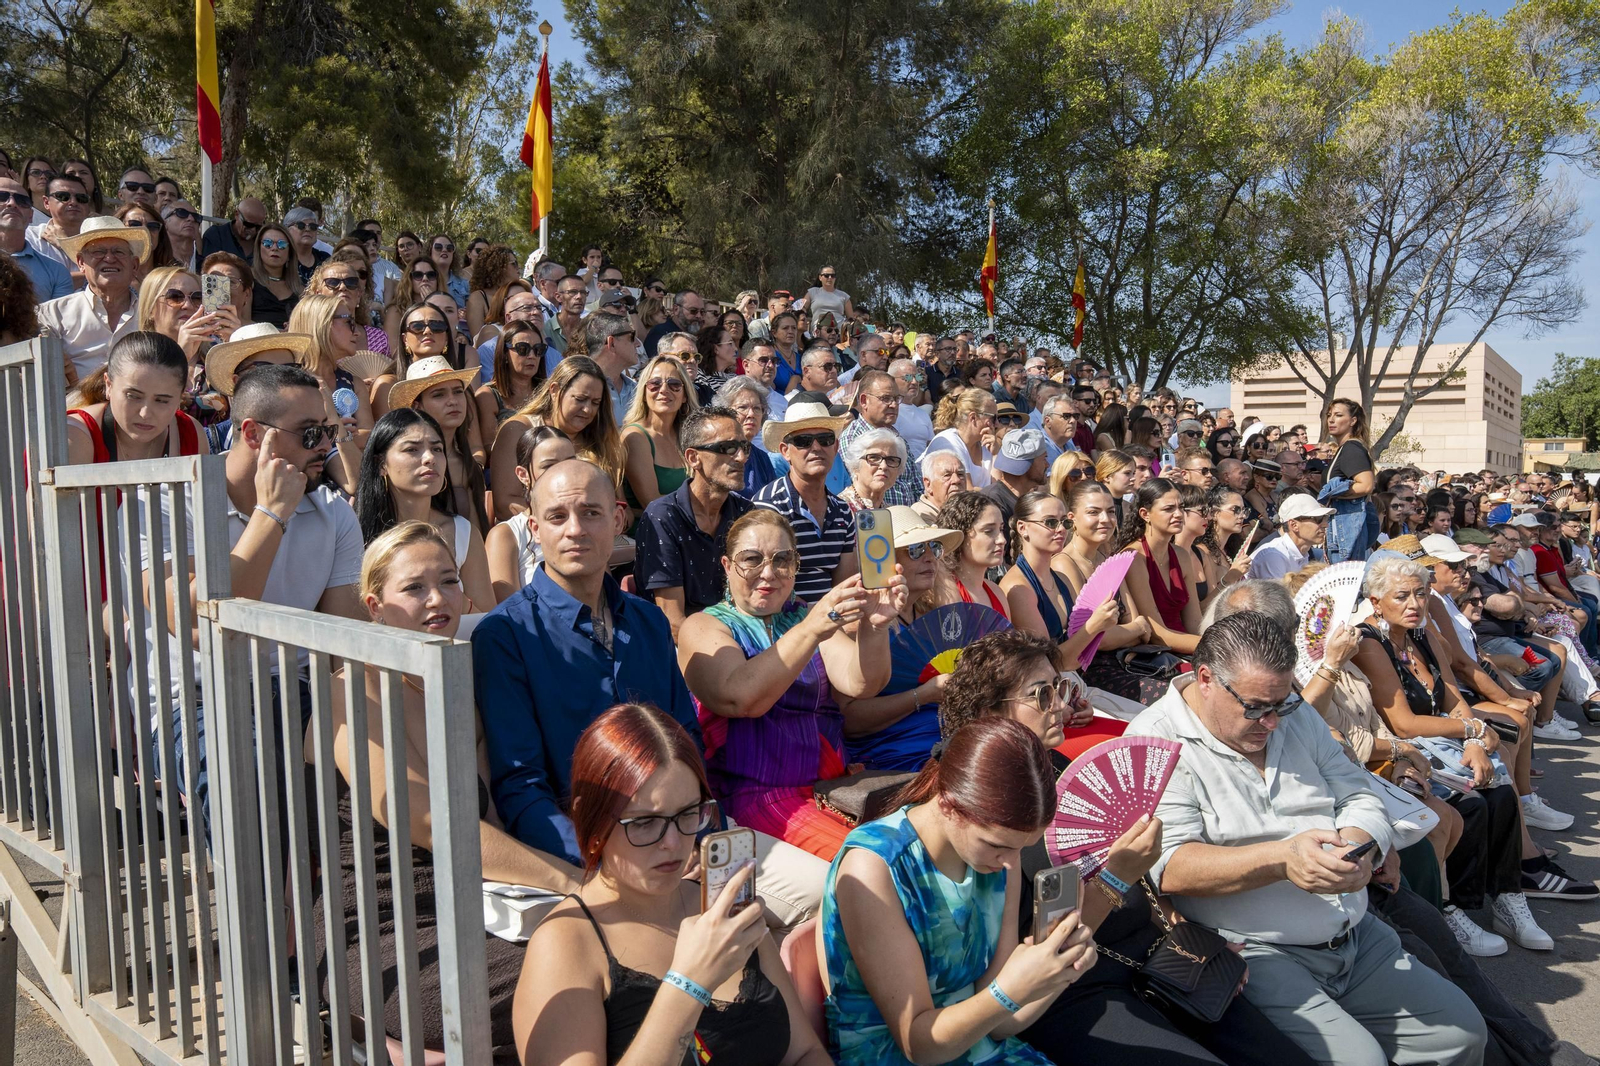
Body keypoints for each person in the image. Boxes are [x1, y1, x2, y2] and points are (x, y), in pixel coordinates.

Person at [937, 630, 1321, 1066]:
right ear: (990, 712)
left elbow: (1135, 876)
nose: (1061, 705)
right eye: (1042, 695)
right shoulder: (988, 807)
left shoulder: (1058, 765)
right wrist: (1116, 875)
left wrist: (1184, 935)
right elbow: (1045, 948)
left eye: (1061, 688)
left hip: (1152, 955)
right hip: (1076, 987)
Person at [1126, 611, 1489, 1066]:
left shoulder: (1289, 713)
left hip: (1355, 935)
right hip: (1254, 950)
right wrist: (1283, 859)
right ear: (1205, 679)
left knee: (1462, 1034)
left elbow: (1356, 788)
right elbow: (1172, 866)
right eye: (1256, 707)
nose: (1273, 721)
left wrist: (1362, 844)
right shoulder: (1154, 741)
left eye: (1282, 704)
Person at [314, 521, 578, 1064]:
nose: (438, 599)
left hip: (490, 903)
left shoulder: (471, 674)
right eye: (413, 588)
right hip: (390, 924)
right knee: (584, 981)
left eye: (449, 580)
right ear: (375, 605)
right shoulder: (351, 687)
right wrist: (576, 883)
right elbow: (433, 821)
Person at [512, 704, 833, 1066]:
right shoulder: (566, 943)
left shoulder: (722, 909)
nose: (673, 842)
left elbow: (804, 1052)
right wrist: (690, 981)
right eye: (646, 822)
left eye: (687, 814)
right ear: (591, 818)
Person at [821, 715, 1098, 1065]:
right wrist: (1009, 990)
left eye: (1022, 847)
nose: (1012, 862)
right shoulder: (874, 867)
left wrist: (1056, 974)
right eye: (997, 844)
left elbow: (1000, 1024)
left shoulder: (998, 862)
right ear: (948, 805)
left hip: (981, 1050)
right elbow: (918, 1045)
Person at [1350, 554, 1566, 950]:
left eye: (1420, 593)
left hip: (1446, 742)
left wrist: (1473, 740)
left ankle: (1508, 898)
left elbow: (1452, 696)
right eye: (1402, 596)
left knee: (1500, 793)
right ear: (1376, 601)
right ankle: (1457, 909)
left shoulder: (1422, 633)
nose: (1415, 604)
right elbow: (1404, 723)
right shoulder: (1368, 641)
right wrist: (1473, 729)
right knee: (1472, 803)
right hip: (1405, 751)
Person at [680, 509, 906, 859]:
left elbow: (862, 683)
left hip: (832, 788)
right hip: (754, 794)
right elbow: (740, 698)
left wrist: (874, 627)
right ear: (726, 566)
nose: (768, 573)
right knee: (874, 865)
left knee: (917, 847)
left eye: (782, 560)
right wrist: (813, 628)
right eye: (751, 559)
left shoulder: (802, 615)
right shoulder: (705, 626)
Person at [354, 408, 493, 609]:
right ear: (381, 464)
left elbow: (486, 622)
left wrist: (453, 597)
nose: (430, 458)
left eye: (437, 449)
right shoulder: (355, 532)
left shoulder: (462, 533)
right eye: (412, 449)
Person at [635, 406, 755, 637]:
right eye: (728, 447)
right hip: (688, 650)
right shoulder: (663, 517)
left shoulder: (745, 512)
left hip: (743, 635)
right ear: (693, 458)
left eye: (744, 447)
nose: (741, 457)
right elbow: (672, 622)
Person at [489, 356, 626, 522]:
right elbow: (505, 505)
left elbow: (621, 506)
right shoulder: (518, 430)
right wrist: (562, 524)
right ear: (554, 390)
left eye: (595, 402)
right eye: (580, 399)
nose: (588, 409)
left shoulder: (601, 437)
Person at [750, 401, 859, 603]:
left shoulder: (843, 510)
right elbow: (767, 582)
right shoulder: (770, 506)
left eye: (825, 439)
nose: (816, 447)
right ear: (785, 451)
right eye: (803, 441)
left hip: (833, 618)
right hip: (784, 620)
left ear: (835, 447)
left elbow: (843, 584)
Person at [1000, 490, 1122, 667]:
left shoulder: (1061, 578)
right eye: (1050, 522)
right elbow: (1049, 662)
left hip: (1078, 675)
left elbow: (1078, 641)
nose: (1061, 529)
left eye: (1065, 522)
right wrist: (1095, 625)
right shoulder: (1018, 587)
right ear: (1022, 527)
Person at [65, 330, 204, 468]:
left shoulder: (190, 433)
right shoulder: (75, 437)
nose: (145, 413)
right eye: (133, 396)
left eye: (162, 400)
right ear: (108, 385)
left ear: (180, 397)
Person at [35, 214, 147, 384]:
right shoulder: (51, 314)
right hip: (71, 408)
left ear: (134, 265)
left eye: (118, 251)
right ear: (81, 262)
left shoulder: (152, 314)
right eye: (98, 251)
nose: (109, 258)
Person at [387, 354, 492, 534]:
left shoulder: (468, 464)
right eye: (439, 394)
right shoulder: (401, 464)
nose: (453, 401)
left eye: (458, 391)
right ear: (417, 406)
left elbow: (477, 534)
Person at [485, 426, 574, 602]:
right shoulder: (506, 536)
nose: (563, 472)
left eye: (570, 463)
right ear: (523, 474)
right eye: (549, 466)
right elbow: (511, 612)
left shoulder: (586, 524)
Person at [1118, 478, 1202, 654]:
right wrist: (1217, 648)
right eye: (1168, 509)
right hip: (1157, 654)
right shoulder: (1135, 558)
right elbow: (1157, 633)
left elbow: (1194, 623)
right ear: (1145, 514)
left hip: (1188, 646)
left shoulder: (1181, 555)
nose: (1179, 514)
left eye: (1181, 507)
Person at [620, 354, 695, 515]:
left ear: (685, 396)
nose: (663, 390)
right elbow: (653, 503)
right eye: (655, 384)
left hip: (691, 526)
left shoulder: (690, 436)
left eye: (674, 384)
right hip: (651, 532)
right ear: (644, 393)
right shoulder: (635, 437)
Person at [838, 370, 923, 505]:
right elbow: (854, 490)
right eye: (886, 398)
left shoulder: (897, 439)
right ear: (864, 401)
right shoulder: (853, 438)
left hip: (908, 518)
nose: (894, 405)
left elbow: (917, 486)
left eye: (896, 399)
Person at [936, 490, 1011, 618]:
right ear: (960, 535)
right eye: (988, 531)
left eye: (1001, 529)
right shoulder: (946, 593)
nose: (1002, 540)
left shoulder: (996, 592)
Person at [1, 174, 73, 301]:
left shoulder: (57, 272)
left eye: (22, 201)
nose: (12, 203)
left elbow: (58, 320)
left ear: (31, 215)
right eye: (2, 197)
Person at [1325, 397, 1377, 562]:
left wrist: (1333, 494)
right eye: (1329, 415)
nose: (1331, 420)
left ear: (1353, 420)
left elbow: (1366, 485)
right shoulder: (1347, 448)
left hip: (1345, 529)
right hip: (1343, 528)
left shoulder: (1351, 448)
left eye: (1339, 415)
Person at [476, 318, 546, 430]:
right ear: (505, 353)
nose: (532, 355)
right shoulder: (487, 396)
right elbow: (489, 445)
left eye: (538, 349)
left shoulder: (548, 391)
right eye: (523, 348)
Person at [714, 375, 779, 494]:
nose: (751, 414)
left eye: (757, 408)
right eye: (742, 407)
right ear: (724, 411)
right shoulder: (715, 453)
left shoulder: (762, 458)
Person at [1248, 493, 1334, 579]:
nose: (1325, 525)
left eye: (1325, 518)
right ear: (1294, 525)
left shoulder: (1302, 553)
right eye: (1318, 519)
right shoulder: (1274, 555)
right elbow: (1279, 592)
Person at [925, 389, 997, 489]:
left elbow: (998, 489)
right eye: (993, 418)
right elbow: (967, 492)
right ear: (973, 418)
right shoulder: (948, 442)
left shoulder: (987, 442)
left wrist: (995, 454)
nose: (997, 424)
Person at [839, 426, 909, 514]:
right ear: (855, 466)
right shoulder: (839, 509)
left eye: (891, 460)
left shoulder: (892, 514)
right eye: (874, 458)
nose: (884, 466)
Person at [383, 255, 441, 356]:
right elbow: (393, 350)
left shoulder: (445, 305)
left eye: (431, 275)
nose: (425, 279)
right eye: (418, 275)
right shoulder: (396, 310)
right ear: (410, 279)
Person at [250, 223, 300, 328]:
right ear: (258, 249)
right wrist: (277, 333)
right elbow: (241, 319)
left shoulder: (300, 289)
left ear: (289, 253)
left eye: (282, 245)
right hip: (254, 341)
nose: (274, 248)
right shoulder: (247, 279)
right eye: (268, 243)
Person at [200, 196, 267, 261]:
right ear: (237, 214)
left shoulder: (264, 240)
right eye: (248, 224)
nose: (253, 230)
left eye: (258, 227)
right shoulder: (216, 235)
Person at [912, 448, 970, 520]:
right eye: (947, 475)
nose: (956, 480)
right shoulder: (921, 516)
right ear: (928, 484)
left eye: (960, 474)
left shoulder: (968, 510)